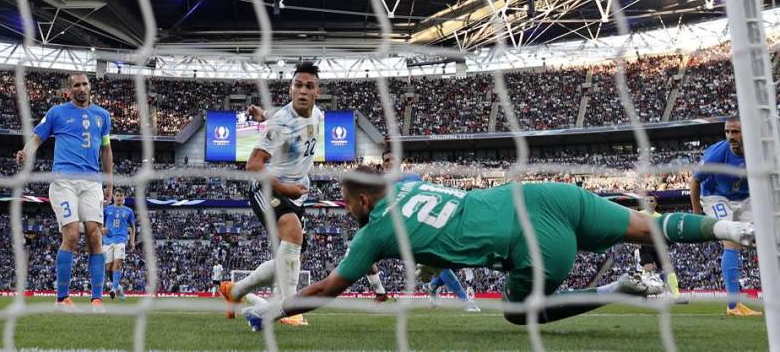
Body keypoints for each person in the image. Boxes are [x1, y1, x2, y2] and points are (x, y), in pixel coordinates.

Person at [242, 167, 755, 330]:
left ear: (358, 200)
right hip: (546, 195)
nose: (346, 208)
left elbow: (331, 286)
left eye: (347, 201)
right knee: (651, 225)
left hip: (534, 245)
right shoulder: (410, 183)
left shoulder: (372, 231)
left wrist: (275, 308)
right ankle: (726, 230)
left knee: (517, 315)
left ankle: (619, 287)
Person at [220, 61, 323, 326]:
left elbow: (286, 120)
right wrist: (284, 187)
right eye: (298, 85)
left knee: (288, 258)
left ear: (317, 91)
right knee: (292, 232)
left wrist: (264, 114)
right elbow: (253, 165)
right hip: (268, 187)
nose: (302, 91)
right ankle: (290, 309)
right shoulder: (281, 124)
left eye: (308, 86)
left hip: (296, 192)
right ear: (291, 89)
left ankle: (235, 290)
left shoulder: (318, 115)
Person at [16, 72, 113, 311]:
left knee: (94, 235)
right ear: (68, 91)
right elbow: (37, 138)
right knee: (71, 235)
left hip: (92, 182)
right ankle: (62, 298)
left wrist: (110, 182)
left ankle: (97, 298)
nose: (81, 88)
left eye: (85, 84)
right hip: (63, 181)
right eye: (76, 85)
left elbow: (106, 150)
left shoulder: (103, 115)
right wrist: (26, 152)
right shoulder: (56, 113)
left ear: (90, 87)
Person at [381, 149, 479, 312]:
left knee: (455, 261)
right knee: (442, 264)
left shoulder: (412, 177)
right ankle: (465, 302)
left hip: (430, 224)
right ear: (383, 166)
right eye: (386, 160)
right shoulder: (381, 186)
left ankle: (432, 286)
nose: (389, 162)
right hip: (410, 233)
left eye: (392, 159)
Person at [690, 116, 761, 316]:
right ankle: (733, 305)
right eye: (728, 132)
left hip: (744, 198)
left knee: (764, 239)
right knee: (731, 240)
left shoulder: (759, 152)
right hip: (715, 197)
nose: (731, 136)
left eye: (735, 132)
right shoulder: (717, 153)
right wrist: (697, 214)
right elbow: (694, 182)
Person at [634, 195, 681, 300]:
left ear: (655, 203)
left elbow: (664, 233)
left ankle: (677, 295)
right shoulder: (639, 214)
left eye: (651, 201)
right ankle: (644, 292)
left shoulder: (660, 217)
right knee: (648, 268)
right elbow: (634, 227)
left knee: (668, 268)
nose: (649, 203)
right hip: (645, 245)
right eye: (646, 201)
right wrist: (635, 240)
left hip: (658, 246)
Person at [103, 189, 136, 299]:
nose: (119, 197)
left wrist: (132, 240)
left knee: (117, 264)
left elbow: (133, 227)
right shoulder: (107, 209)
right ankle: (118, 287)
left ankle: (113, 289)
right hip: (107, 241)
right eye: (117, 195)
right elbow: (99, 223)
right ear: (113, 196)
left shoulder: (128, 211)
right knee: (108, 268)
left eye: (121, 195)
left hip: (121, 240)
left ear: (124, 197)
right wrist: (102, 229)